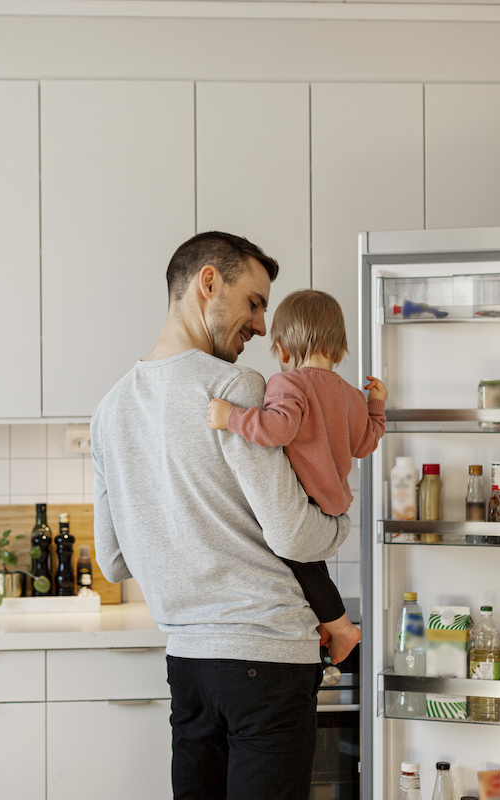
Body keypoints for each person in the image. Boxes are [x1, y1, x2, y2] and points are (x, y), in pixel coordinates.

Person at [91, 231, 351, 800]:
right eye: (254, 303)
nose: (262, 326)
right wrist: (340, 523)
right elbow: (293, 532)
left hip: (188, 667)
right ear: (209, 283)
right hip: (267, 661)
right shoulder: (236, 388)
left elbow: (111, 561)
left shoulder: (109, 411)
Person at [206, 289, 387, 666]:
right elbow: (367, 442)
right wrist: (377, 404)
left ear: (283, 349)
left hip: (306, 514)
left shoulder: (289, 384)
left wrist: (231, 418)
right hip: (333, 516)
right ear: (339, 349)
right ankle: (330, 621)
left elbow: (277, 430)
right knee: (305, 564)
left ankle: (342, 628)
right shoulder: (352, 396)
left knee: (287, 552)